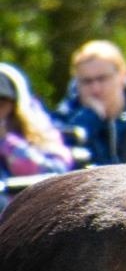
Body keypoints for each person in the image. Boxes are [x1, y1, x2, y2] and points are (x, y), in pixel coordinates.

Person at [55, 40, 126, 165]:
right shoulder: (62, 122)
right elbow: (60, 164)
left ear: (122, 76)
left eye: (102, 79)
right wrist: (88, 120)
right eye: (86, 81)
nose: (96, 88)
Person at [0, 62, 73, 210]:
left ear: (15, 105)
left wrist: (8, 144)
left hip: (25, 219)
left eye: (1, 103)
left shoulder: (40, 133)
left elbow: (58, 174)